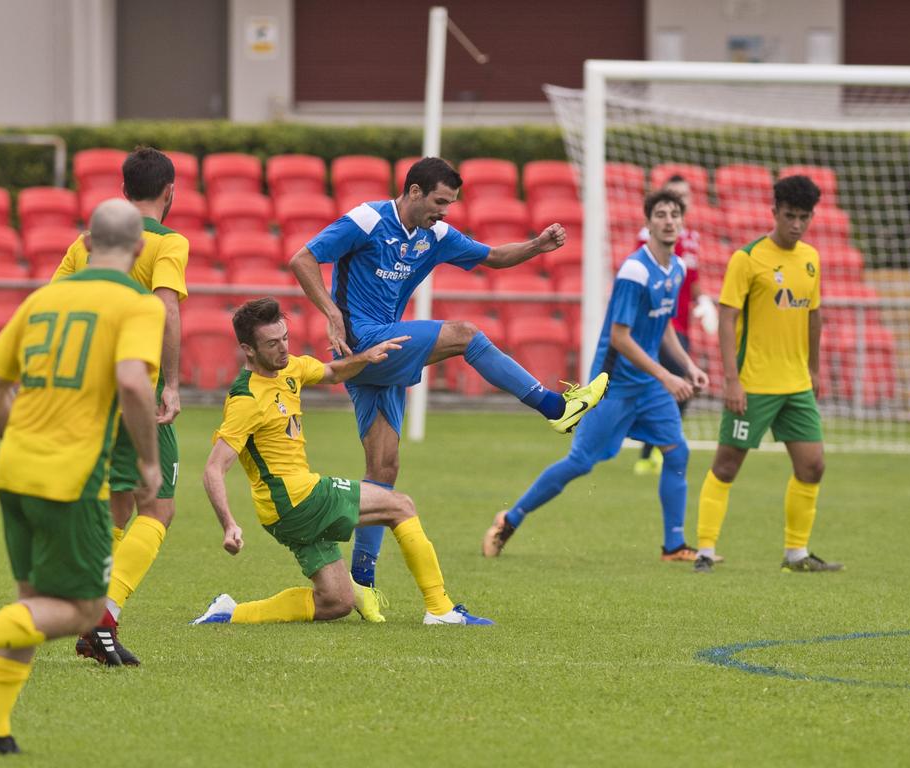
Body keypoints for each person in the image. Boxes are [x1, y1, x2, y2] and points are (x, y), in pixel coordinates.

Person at [289, 156, 608, 605]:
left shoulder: (434, 235)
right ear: (414, 191)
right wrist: (332, 314)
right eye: (440, 201)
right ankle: (555, 407)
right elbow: (303, 258)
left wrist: (536, 246)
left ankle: (361, 584)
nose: (446, 211)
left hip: (380, 353)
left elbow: (493, 257)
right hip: (365, 341)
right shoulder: (365, 220)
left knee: (383, 470)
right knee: (466, 335)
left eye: (452, 203)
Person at [0, 199, 165, 755]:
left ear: (84, 241)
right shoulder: (138, 305)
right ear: (136, 249)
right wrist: (149, 463)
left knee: (29, 603)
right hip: (72, 478)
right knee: (82, 610)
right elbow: (132, 382)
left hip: (13, 469)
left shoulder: (43, 298)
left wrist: (18, 442)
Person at [191, 298, 492, 627]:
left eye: (286, 338)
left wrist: (367, 357)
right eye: (272, 344)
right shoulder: (245, 400)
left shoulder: (290, 368)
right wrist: (229, 524)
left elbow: (332, 371)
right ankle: (440, 609)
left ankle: (230, 613)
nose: (283, 349)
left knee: (335, 602)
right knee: (401, 506)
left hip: (282, 511)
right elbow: (213, 468)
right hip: (297, 498)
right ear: (248, 350)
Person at [483, 189, 708, 561]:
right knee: (580, 462)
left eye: (674, 215)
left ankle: (674, 546)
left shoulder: (678, 269)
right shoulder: (635, 271)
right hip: (613, 385)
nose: (669, 221)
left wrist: (688, 367)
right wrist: (667, 377)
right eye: (661, 214)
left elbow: (663, 324)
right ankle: (510, 518)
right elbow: (620, 337)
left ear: (682, 223)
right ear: (648, 223)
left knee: (677, 451)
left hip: (648, 386)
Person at [52, 146, 188, 664]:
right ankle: (103, 613)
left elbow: (55, 304)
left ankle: (90, 619)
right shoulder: (169, 241)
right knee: (160, 506)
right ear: (170, 190)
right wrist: (171, 384)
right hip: (138, 385)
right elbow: (167, 306)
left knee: (118, 502)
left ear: (122, 188)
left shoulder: (86, 243)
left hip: (89, 386)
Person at [693, 175, 842, 574]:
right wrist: (732, 379)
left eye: (804, 217)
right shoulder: (748, 258)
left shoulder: (811, 258)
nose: (796, 224)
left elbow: (814, 315)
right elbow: (727, 319)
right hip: (753, 384)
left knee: (813, 466)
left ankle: (797, 554)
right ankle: (705, 550)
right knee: (727, 465)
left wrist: (812, 368)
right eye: (789, 216)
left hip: (796, 386)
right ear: (774, 212)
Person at [633, 175, 718, 476]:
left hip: (681, 325)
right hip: (656, 325)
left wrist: (704, 301)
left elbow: (692, 282)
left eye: (685, 197)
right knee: (673, 382)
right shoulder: (649, 235)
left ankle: (654, 449)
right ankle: (655, 448)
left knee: (677, 385)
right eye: (674, 196)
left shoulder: (692, 239)